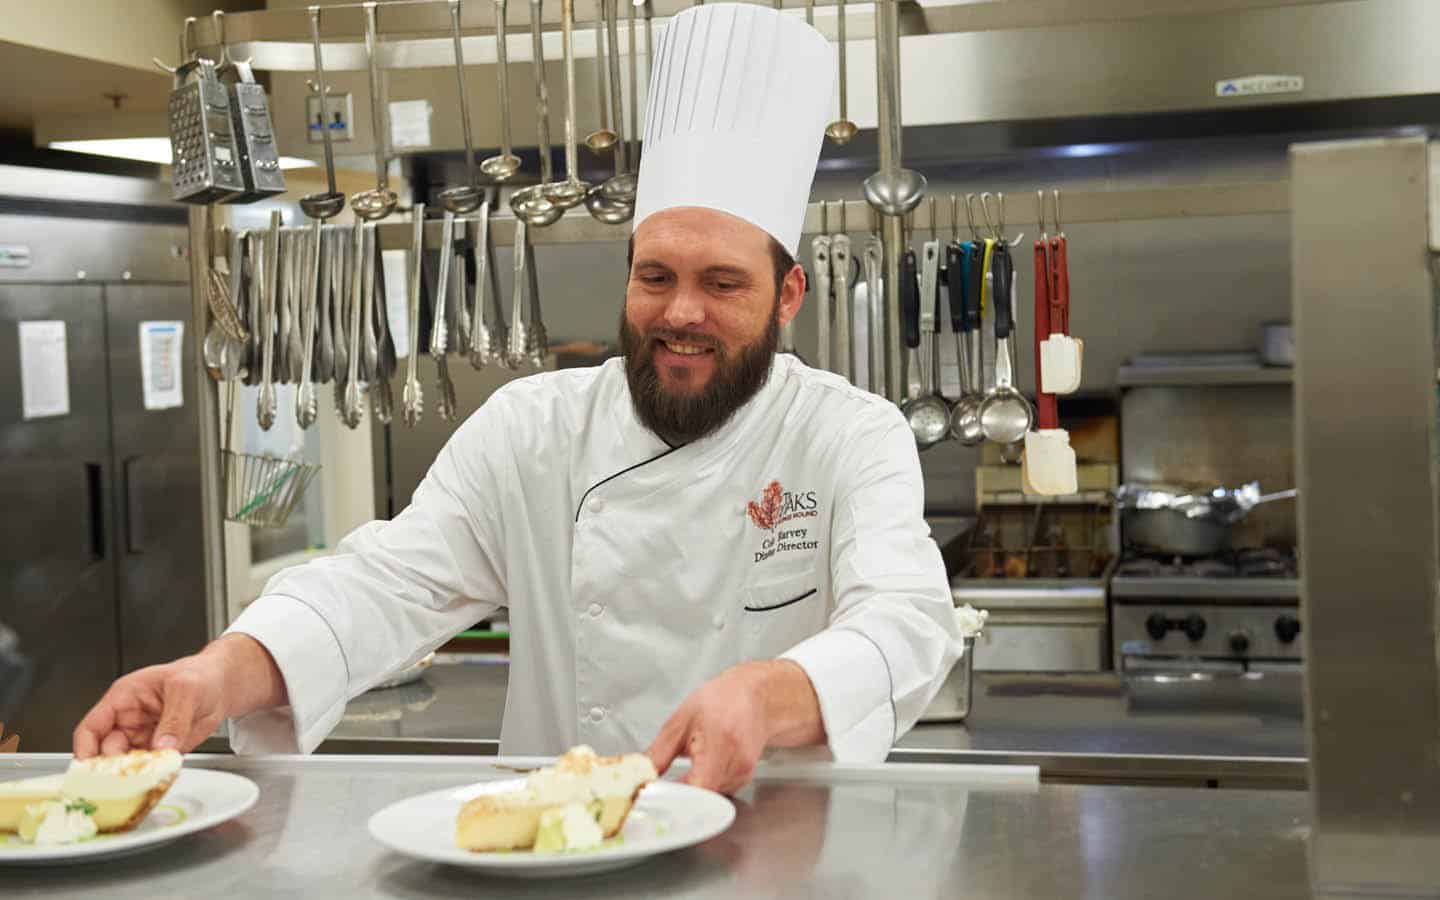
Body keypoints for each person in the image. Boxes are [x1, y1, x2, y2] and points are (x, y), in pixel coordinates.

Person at [73, 3, 963, 795]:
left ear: (789, 295)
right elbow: (384, 582)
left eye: (723, 282)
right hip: (559, 852)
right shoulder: (532, 428)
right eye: (654, 275)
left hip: (776, 855)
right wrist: (223, 669)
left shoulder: (848, 434)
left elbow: (907, 622)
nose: (680, 313)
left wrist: (771, 695)